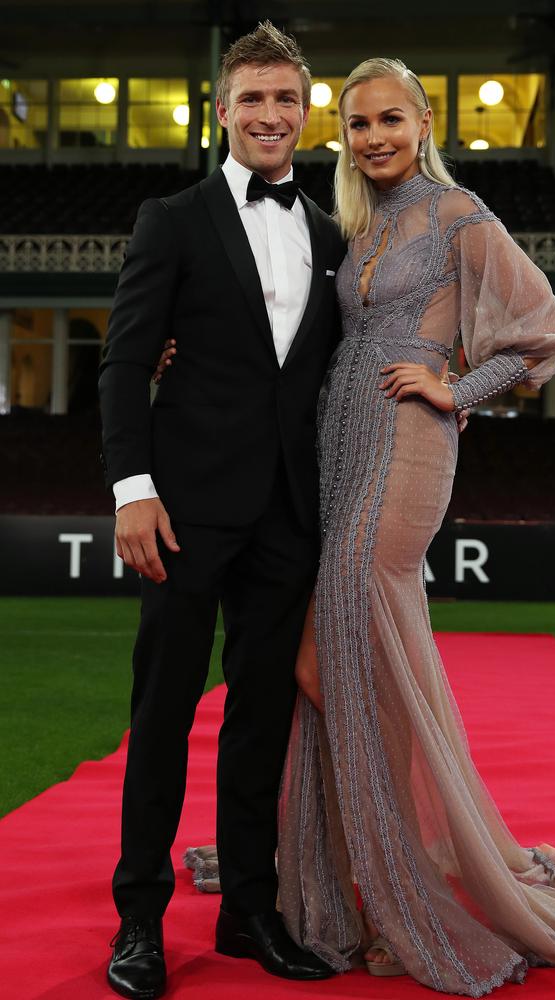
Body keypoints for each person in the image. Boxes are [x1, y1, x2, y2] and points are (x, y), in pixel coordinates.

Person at [273, 58, 555, 994]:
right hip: (340, 443)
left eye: (391, 119)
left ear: (425, 123)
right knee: (338, 658)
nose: (374, 136)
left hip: (407, 442)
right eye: (356, 124)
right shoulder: (362, 221)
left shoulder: (462, 217)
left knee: (335, 649)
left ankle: (403, 881)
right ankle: (366, 867)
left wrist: (455, 386)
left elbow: (544, 332)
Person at [98, 21, 347, 999]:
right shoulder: (172, 217)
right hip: (182, 514)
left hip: (288, 518)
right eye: (252, 99)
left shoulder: (331, 236)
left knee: (260, 724)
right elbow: (124, 361)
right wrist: (132, 489)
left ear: (304, 110)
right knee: (160, 719)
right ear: (222, 110)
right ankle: (138, 923)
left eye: (285, 98)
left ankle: (248, 911)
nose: (270, 115)